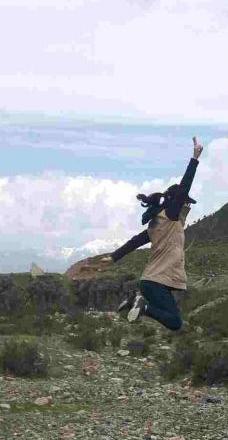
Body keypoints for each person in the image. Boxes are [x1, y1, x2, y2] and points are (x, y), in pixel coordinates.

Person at [69, 136, 202, 331]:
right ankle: (141, 305)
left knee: (171, 317)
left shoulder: (157, 224)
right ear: (177, 201)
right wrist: (195, 158)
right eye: (186, 201)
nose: (188, 205)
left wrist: (113, 257)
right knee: (174, 322)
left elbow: (134, 242)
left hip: (152, 281)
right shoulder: (171, 216)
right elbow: (184, 188)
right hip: (156, 281)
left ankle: (136, 301)